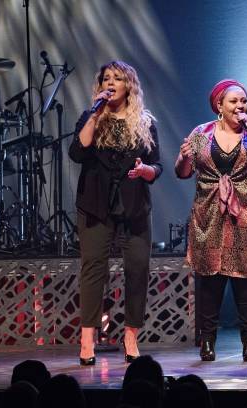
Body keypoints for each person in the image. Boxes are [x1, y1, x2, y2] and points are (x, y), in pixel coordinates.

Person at [175, 79, 247, 362]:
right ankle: (208, 342)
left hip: (245, 216)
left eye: (243, 101)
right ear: (219, 105)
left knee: (245, 283)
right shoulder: (201, 133)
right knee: (210, 283)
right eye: (234, 101)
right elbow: (182, 171)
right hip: (209, 217)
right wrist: (183, 157)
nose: (240, 106)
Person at [68, 60, 162, 366]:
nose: (111, 83)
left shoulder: (145, 122)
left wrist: (146, 170)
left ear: (128, 86)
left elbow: (157, 166)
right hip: (96, 204)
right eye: (106, 78)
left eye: (117, 78)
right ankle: (87, 340)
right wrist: (95, 113)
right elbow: (77, 152)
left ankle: (131, 336)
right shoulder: (91, 117)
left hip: (134, 205)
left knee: (137, 268)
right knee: (93, 268)